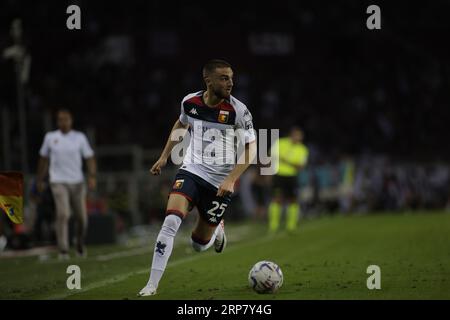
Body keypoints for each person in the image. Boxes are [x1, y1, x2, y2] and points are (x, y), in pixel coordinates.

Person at [139, 59, 257, 296]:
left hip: (219, 183)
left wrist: (231, 179)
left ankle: (215, 229)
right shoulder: (189, 102)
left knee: (198, 245)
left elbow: (251, 148)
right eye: (224, 78)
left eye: (231, 78)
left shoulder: (238, 111)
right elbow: (180, 125)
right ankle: (152, 284)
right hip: (192, 170)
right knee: (171, 221)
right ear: (208, 80)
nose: (230, 83)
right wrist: (164, 156)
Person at [36, 109, 97, 259]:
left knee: (82, 217)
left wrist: (92, 176)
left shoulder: (79, 137)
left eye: (66, 119)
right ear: (57, 122)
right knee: (63, 214)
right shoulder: (51, 137)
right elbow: (43, 159)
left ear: (71, 121)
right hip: (58, 181)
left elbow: (89, 158)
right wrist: (39, 179)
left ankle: (79, 243)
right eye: (60, 120)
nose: (63, 122)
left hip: (77, 182)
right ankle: (63, 249)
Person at [268, 126, 308, 232]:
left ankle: (291, 225)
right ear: (292, 134)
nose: (298, 138)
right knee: (277, 199)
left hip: (292, 176)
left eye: (300, 136)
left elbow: (301, 166)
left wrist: (286, 161)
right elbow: (270, 154)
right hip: (279, 174)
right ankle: (273, 225)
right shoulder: (280, 143)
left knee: (293, 200)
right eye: (297, 135)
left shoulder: (303, 149)